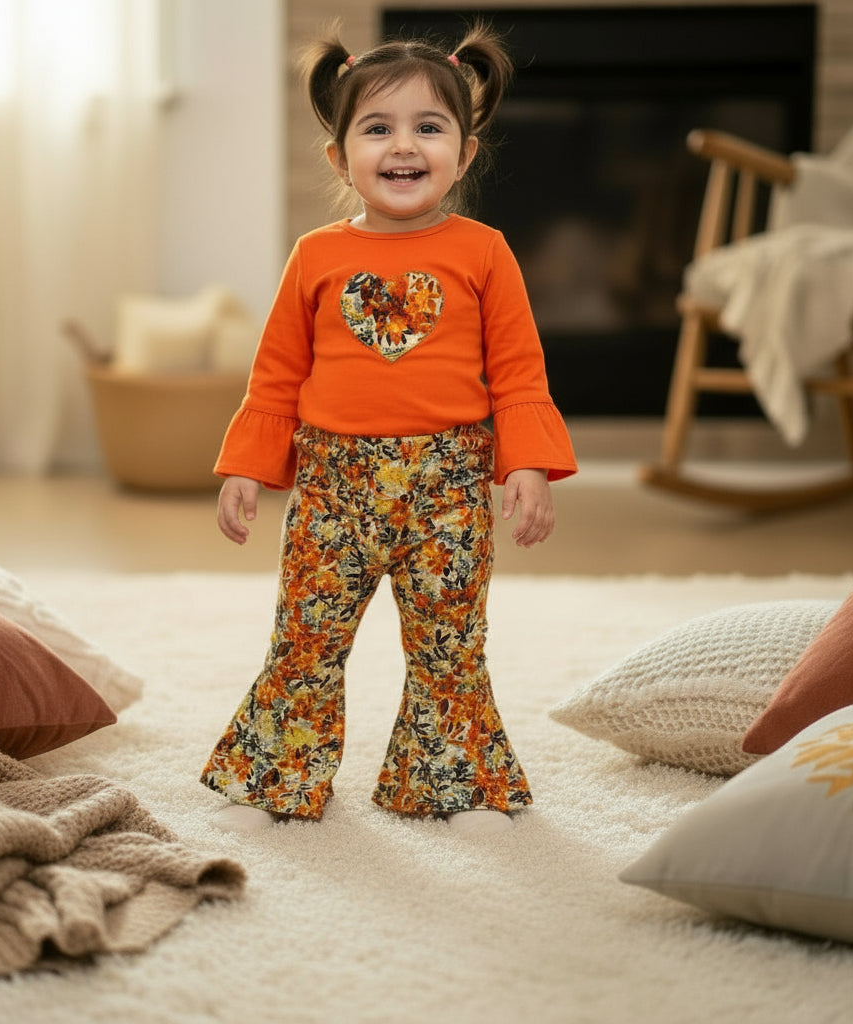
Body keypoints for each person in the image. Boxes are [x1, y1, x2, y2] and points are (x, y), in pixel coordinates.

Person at [200, 22, 577, 835]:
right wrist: (248, 468)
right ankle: (277, 783)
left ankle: (453, 785)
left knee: (450, 644)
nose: (403, 146)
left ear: (463, 154)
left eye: (427, 127)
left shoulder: (485, 252)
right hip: (332, 490)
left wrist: (528, 465)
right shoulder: (315, 256)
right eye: (377, 128)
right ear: (340, 158)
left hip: (448, 492)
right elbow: (276, 375)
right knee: (305, 639)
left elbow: (518, 372)